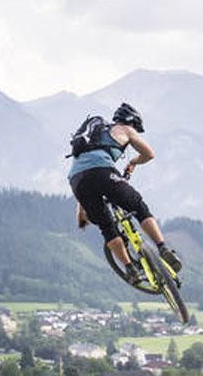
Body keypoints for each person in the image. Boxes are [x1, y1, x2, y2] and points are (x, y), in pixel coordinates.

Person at [69, 102, 182, 287]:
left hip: (77, 181)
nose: (135, 130)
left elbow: (86, 172)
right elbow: (149, 154)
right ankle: (163, 249)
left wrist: (81, 212)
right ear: (132, 122)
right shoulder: (125, 129)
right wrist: (134, 161)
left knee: (107, 227)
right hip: (103, 173)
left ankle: (131, 269)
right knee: (138, 207)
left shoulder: (91, 137)